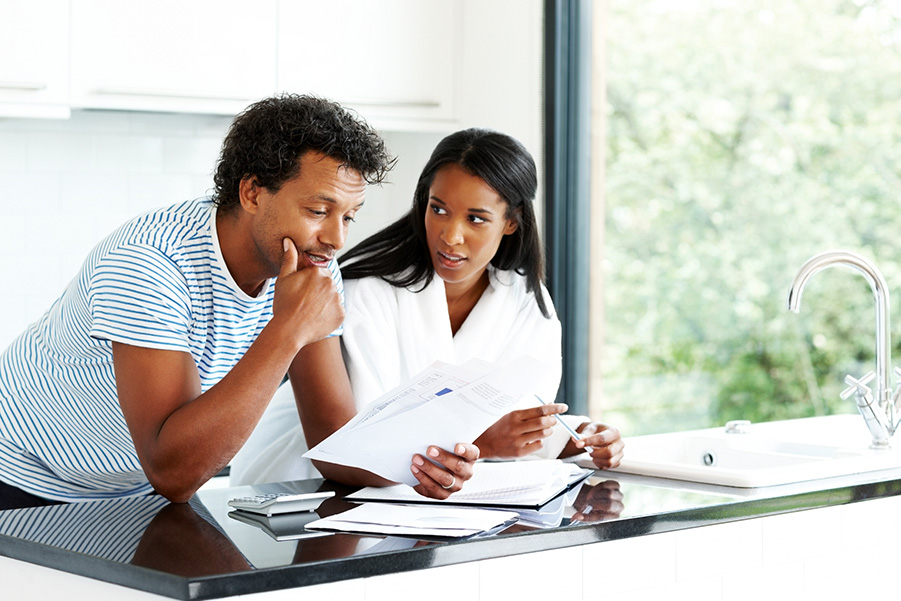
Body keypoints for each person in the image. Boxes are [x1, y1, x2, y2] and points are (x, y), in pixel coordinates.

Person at [0, 94, 477, 509]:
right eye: (318, 210)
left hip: (132, 487)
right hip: (22, 479)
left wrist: (417, 468)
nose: (335, 238)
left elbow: (334, 443)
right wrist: (287, 331)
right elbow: (175, 473)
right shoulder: (149, 264)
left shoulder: (312, 262)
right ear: (252, 192)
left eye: (349, 216)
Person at [231, 128, 624, 487]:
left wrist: (577, 436)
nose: (451, 236)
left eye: (476, 218)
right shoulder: (366, 291)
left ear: (511, 222)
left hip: (433, 500)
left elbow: (520, 420)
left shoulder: (525, 301)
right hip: (307, 485)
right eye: (438, 209)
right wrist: (482, 442)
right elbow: (364, 444)